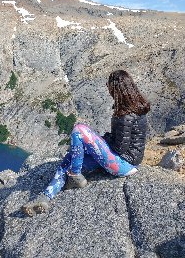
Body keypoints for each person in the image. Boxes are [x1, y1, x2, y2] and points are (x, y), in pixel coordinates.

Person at [22, 69, 150, 217]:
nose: (107, 87)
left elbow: (120, 148)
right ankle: (45, 197)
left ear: (116, 88)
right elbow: (119, 141)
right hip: (123, 161)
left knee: (79, 130)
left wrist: (97, 144)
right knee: (71, 158)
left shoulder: (125, 115)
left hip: (124, 164)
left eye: (108, 84)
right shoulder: (133, 109)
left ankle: (75, 175)